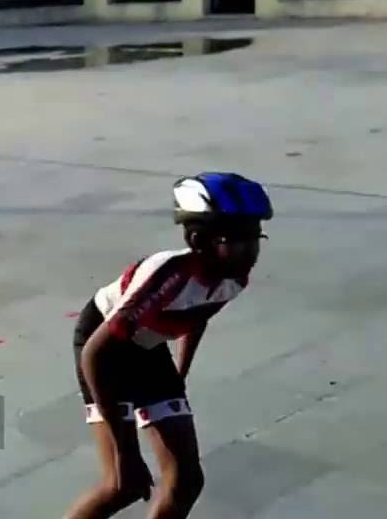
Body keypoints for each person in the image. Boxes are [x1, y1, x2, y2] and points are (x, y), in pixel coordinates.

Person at [64, 172, 272, 519]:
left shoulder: (234, 275)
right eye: (234, 239)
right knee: (123, 485)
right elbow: (95, 356)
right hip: (104, 348)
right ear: (198, 239)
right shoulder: (167, 275)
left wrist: (179, 374)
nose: (249, 251)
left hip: (146, 348)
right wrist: (126, 453)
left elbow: (198, 313)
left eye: (254, 238)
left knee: (187, 481)